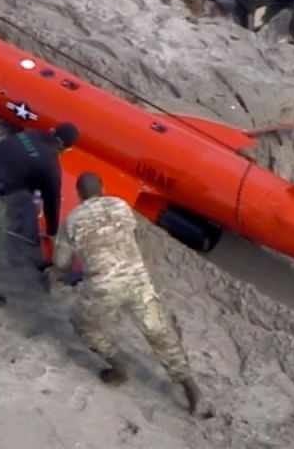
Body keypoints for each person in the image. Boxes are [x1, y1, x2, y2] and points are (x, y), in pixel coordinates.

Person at [47, 172, 211, 418]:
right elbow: (132, 236)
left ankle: (118, 366)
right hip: (137, 281)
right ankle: (192, 391)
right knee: (160, 334)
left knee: (83, 322)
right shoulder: (121, 205)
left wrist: (58, 275)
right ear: (102, 187)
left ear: (80, 194)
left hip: (103, 287)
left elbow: (62, 264)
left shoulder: (72, 221)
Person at [0, 123, 77, 307]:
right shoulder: (50, 166)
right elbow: (52, 202)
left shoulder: (32, 134)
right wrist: (52, 231)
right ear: (67, 149)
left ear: (52, 130)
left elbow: (22, 162)